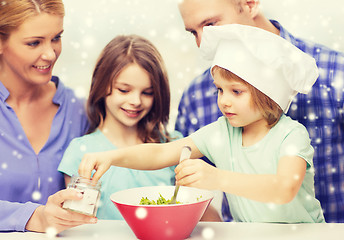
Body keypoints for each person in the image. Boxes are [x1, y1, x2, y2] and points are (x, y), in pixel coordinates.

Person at [78, 24, 325, 223]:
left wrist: (218, 178)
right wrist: (112, 157)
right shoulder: (221, 132)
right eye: (219, 90)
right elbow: (161, 152)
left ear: (267, 93)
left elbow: (284, 189)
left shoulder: (291, 135)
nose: (224, 101)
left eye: (236, 92)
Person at [175, 0, 344, 223]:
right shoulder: (196, 96)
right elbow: (184, 183)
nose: (202, 44)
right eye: (193, 33)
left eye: (210, 25)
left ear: (250, 4)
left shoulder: (335, 73)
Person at [58, 35, 215, 220]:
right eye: (123, 90)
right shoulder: (80, 151)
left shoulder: (173, 146)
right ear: (101, 86)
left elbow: (203, 216)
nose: (135, 101)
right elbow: (76, 222)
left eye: (147, 93)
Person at [0, 0, 96, 233]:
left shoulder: (79, 110)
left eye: (56, 38)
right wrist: (34, 217)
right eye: (34, 43)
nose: (50, 54)